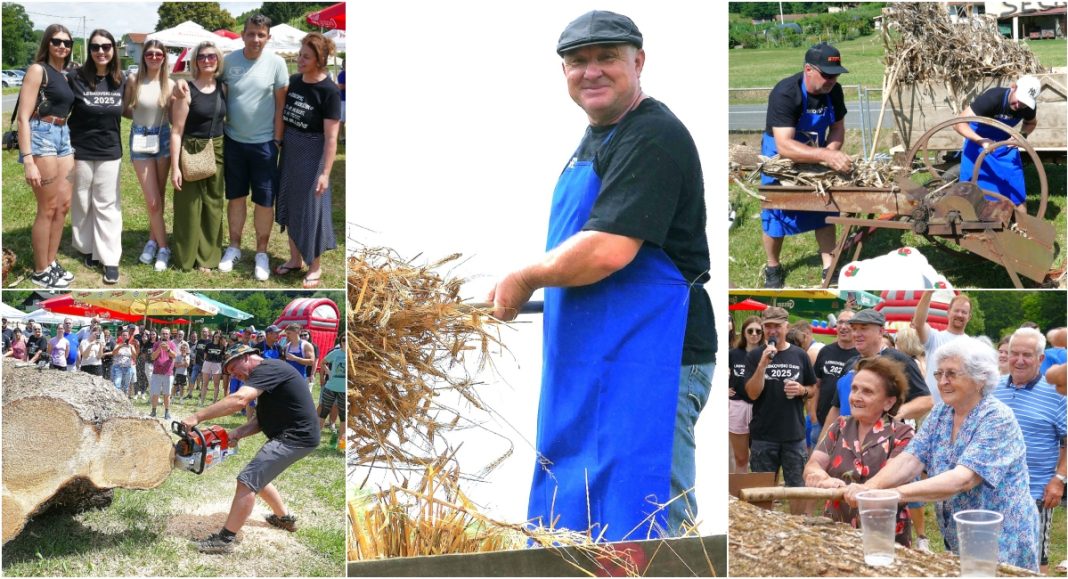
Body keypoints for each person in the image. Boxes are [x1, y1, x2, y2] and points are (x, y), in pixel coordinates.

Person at [487, 11, 715, 538]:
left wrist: (525, 278)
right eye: (577, 62)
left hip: (655, 358)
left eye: (606, 58)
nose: (591, 71)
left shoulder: (651, 135)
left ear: (638, 61)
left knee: (645, 523)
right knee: (577, 521)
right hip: (596, 356)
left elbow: (608, 250)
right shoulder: (597, 138)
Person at [844, 336, 1041, 572]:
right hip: (962, 533)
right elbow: (911, 459)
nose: (943, 382)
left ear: (980, 379)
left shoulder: (998, 419)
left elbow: (963, 479)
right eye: (939, 374)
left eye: (952, 374)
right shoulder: (942, 413)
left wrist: (892, 494)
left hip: (1001, 536)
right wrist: (871, 487)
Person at [183, 344, 320, 554]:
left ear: (248, 357)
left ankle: (225, 540)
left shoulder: (268, 368)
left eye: (233, 366)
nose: (234, 373)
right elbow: (260, 421)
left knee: (247, 480)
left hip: (295, 437)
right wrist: (237, 433)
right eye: (228, 372)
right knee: (259, 477)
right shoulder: (267, 376)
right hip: (294, 435)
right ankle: (284, 519)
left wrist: (197, 416)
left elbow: (239, 400)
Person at [759, 42, 852, 288]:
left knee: (825, 207)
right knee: (775, 211)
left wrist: (831, 152)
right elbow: (784, 145)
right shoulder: (786, 93)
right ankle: (773, 267)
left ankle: (828, 266)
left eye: (835, 75)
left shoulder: (835, 91)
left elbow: (838, 127)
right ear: (808, 69)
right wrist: (823, 155)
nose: (831, 80)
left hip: (816, 152)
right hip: (781, 156)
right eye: (826, 74)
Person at [804, 357, 914, 546]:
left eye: (867, 391)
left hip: (883, 535)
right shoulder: (839, 426)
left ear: (888, 402)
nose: (856, 397)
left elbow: (895, 481)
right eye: (854, 389)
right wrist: (818, 476)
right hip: (836, 530)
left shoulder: (903, 434)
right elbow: (813, 464)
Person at [217, 14, 289, 280]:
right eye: (251, 33)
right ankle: (234, 247)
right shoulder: (229, 61)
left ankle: (261, 252)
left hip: (265, 144)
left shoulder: (277, 64)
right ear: (243, 35)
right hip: (234, 141)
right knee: (235, 196)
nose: (256, 39)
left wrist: (277, 139)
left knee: (264, 200)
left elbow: (281, 104)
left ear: (268, 37)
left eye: (261, 35)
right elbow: (218, 96)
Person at [993, 328, 1066, 574]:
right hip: (993, 488)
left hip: (1035, 491)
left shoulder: (1057, 394)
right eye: (1015, 353)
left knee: (1034, 558)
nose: (1020, 360)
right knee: (994, 552)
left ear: (1041, 359)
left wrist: (1059, 479)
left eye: (1027, 354)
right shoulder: (993, 389)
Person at [273, 32, 341, 289]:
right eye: (300, 54)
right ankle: (294, 259)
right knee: (289, 203)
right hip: (291, 149)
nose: (300, 59)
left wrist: (325, 172)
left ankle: (315, 266)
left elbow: (332, 137)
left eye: (306, 56)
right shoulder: (294, 81)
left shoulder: (329, 91)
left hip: (313, 153)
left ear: (320, 59)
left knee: (311, 211)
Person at [18, 24, 77, 289]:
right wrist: (28, 159)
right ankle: (40, 270)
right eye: (56, 41)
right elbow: (23, 116)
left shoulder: (64, 75)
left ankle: (51, 262)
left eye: (66, 42)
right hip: (42, 136)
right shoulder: (37, 70)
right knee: (48, 207)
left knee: (63, 206)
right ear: (48, 43)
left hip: (64, 137)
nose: (62, 46)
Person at [67, 29, 125, 284]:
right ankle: (88, 248)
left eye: (106, 46)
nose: (101, 51)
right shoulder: (75, 78)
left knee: (107, 204)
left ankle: (110, 258)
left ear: (113, 50)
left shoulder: (122, 80)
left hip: (110, 151)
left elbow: (134, 106)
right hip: (79, 149)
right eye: (95, 47)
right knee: (81, 201)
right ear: (89, 51)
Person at [744, 306, 817, 510]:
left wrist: (802, 389)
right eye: (768, 327)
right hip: (763, 436)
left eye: (777, 326)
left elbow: (812, 388)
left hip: (793, 434)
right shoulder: (754, 356)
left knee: (797, 488)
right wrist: (762, 365)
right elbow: (752, 393)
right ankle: (761, 534)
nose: (772, 331)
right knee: (761, 493)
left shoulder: (800, 355)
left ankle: (796, 530)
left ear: (786, 327)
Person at [821, 309, 933, 436]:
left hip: (882, 443)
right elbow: (836, 408)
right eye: (855, 328)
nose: (857, 334)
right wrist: (822, 443)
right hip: (846, 442)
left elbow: (927, 400)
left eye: (863, 328)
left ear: (881, 331)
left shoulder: (898, 360)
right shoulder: (850, 363)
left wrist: (900, 412)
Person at [169, 41, 227, 271]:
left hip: (218, 148)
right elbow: (176, 132)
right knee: (188, 205)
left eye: (211, 56)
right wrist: (176, 168)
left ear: (218, 59)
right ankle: (186, 257)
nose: (207, 60)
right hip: (191, 148)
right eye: (202, 57)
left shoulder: (224, 88)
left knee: (213, 204)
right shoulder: (186, 90)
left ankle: (208, 257)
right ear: (195, 61)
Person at [123, 39, 173, 272]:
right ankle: (164, 248)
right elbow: (125, 109)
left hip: (162, 139)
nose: (154, 57)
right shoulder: (134, 80)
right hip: (141, 140)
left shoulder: (170, 84)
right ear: (144, 56)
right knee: (152, 201)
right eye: (150, 53)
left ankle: (152, 241)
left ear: (164, 57)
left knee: (160, 197)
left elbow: (175, 116)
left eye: (158, 54)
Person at [954, 75, 1040, 206]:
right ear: (1013, 87)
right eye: (1019, 99)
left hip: (1004, 147)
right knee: (971, 189)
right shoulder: (993, 98)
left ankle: (1022, 222)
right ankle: (972, 218)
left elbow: (1031, 123)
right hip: (977, 144)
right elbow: (958, 123)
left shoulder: (1028, 107)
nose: (1018, 105)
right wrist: (981, 141)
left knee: (1016, 187)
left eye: (1023, 103)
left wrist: (1020, 135)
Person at [913, 291, 972, 406]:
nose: (960, 315)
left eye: (964, 312)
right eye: (956, 310)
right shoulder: (934, 337)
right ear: (948, 312)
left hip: (957, 409)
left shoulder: (972, 345)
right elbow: (918, 323)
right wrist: (928, 292)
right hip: (930, 408)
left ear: (969, 317)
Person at [729, 316, 763, 473]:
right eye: (750, 330)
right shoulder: (733, 354)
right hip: (738, 405)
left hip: (761, 406)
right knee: (741, 458)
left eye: (758, 331)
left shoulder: (767, 354)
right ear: (744, 333)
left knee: (762, 455)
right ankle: (738, 494)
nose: (754, 334)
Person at [813, 310, 856, 430]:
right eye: (840, 322)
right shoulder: (825, 351)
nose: (843, 327)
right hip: (821, 421)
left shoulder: (861, 356)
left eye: (848, 323)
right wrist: (813, 417)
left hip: (849, 425)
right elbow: (816, 386)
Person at [150, 328, 177, 419]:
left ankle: (167, 412)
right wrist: (159, 349)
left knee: (167, 394)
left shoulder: (172, 344)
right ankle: (153, 411)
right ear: (160, 334)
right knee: (155, 393)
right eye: (163, 333)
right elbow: (153, 357)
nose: (165, 335)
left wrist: (168, 349)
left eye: (166, 334)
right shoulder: (156, 344)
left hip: (168, 373)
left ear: (169, 335)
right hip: (156, 373)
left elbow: (174, 356)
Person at [111, 330, 138, 397]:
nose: (125, 337)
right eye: (123, 335)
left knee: (126, 386)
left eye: (126, 335)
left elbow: (135, 357)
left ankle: (124, 399)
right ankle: (117, 398)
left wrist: (132, 348)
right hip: (118, 367)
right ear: (121, 336)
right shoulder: (117, 345)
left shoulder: (131, 346)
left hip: (128, 368)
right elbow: (113, 353)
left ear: (128, 337)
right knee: (117, 384)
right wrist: (120, 346)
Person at [201, 331, 225, 405]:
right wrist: (206, 362)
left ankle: (214, 402)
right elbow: (205, 355)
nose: (217, 338)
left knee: (216, 384)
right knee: (205, 383)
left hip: (217, 364)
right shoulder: (208, 345)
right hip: (207, 363)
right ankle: (202, 401)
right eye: (216, 336)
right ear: (213, 336)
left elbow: (223, 356)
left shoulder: (222, 346)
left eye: (219, 337)